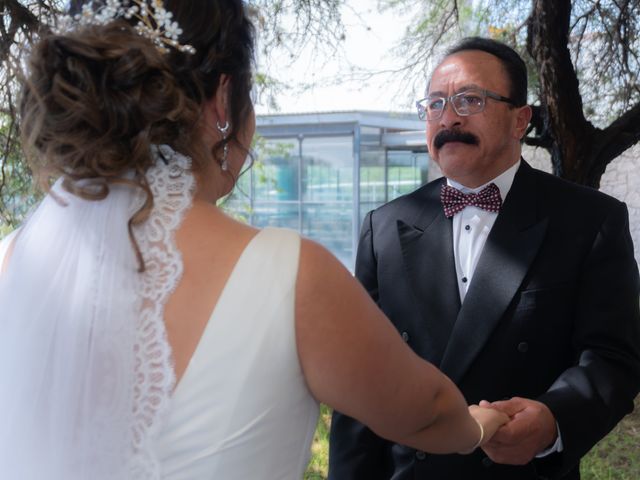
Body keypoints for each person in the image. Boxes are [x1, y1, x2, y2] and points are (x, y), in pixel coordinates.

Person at [0, 3, 509, 479]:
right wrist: (482, 424)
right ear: (224, 99)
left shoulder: (11, 257)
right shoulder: (289, 273)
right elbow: (426, 413)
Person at [329, 37, 640, 480]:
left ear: (520, 120)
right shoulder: (385, 228)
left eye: (469, 100)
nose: (448, 117)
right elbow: (359, 381)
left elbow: (612, 359)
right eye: (435, 103)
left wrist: (553, 420)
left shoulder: (590, 220)